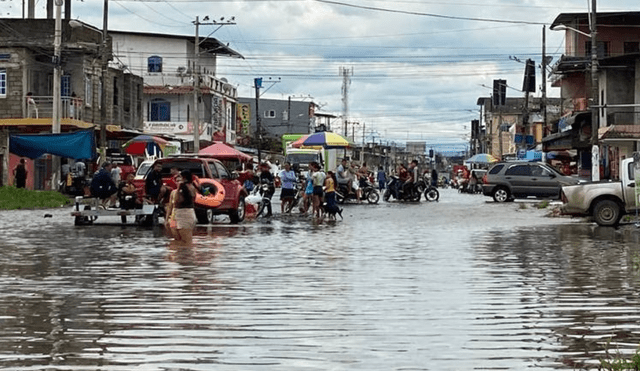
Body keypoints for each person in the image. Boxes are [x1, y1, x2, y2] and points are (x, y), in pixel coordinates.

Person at [173, 170, 197, 245]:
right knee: (183, 239)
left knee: (185, 240)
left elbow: (178, 200)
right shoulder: (192, 186)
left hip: (183, 214)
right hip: (189, 213)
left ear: (184, 177)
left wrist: (178, 188)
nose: (177, 178)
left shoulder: (183, 187)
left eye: (179, 176)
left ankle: (186, 255)